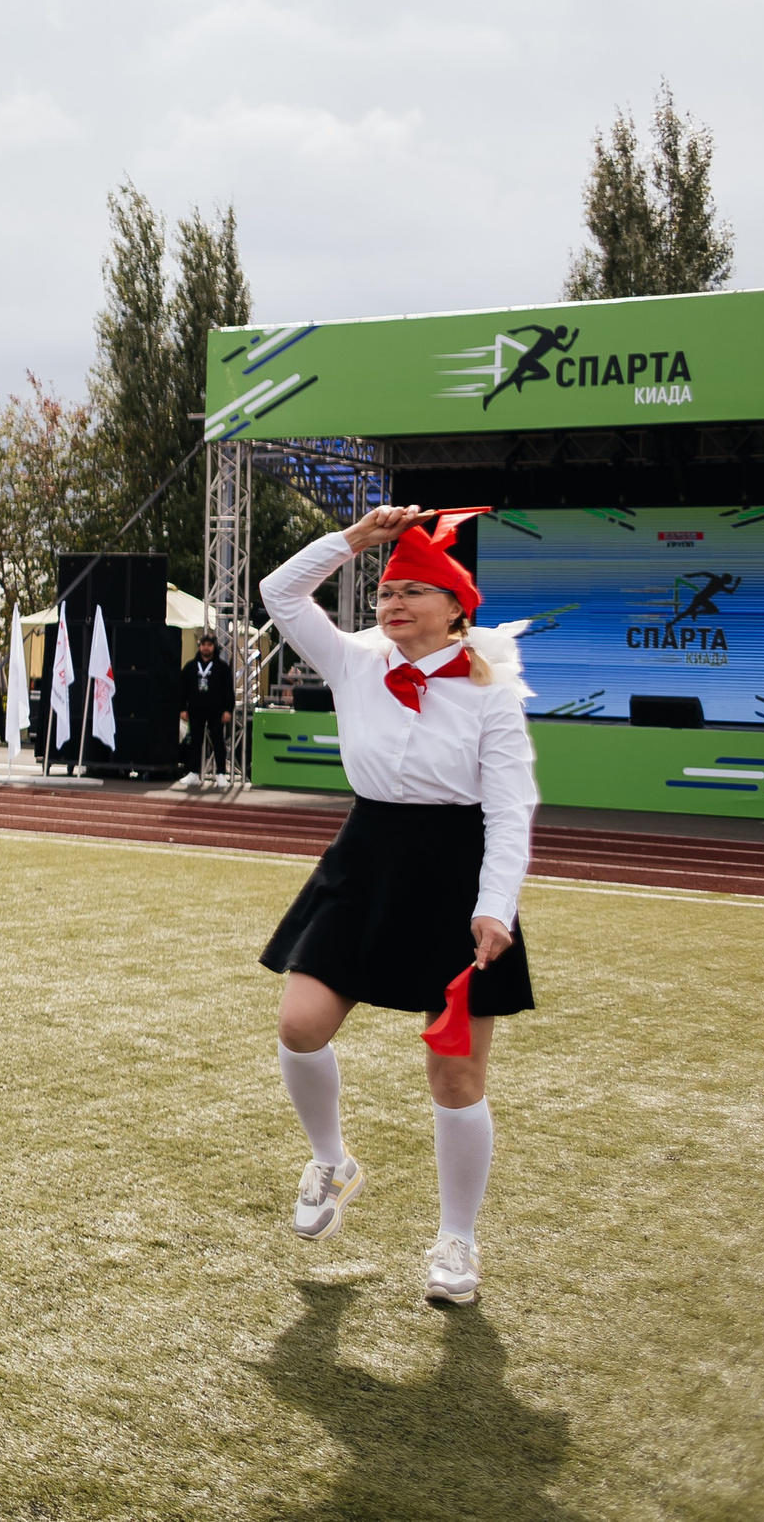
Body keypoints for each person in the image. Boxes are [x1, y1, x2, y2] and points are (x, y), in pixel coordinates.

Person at [258, 505, 535, 1307]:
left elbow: (509, 810)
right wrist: (351, 542)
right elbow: (280, 593)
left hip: (457, 871)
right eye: (387, 591)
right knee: (299, 1023)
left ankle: (457, 1239)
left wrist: (495, 906)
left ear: (458, 609)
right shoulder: (353, 660)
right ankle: (332, 1161)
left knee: (454, 1075)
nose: (393, 602)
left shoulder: (492, 696)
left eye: (416, 590)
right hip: (366, 853)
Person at [182, 632, 235, 784]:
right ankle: (193, 772)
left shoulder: (222, 668)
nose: (206, 648)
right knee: (195, 741)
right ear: (199, 646)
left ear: (214, 647)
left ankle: (220, 774)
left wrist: (227, 710)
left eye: (209, 645)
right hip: (195, 709)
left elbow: (228, 691)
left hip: (216, 710)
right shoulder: (191, 666)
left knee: (218, 741)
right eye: (203, 645)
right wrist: (182, 708)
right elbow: (182, 689)